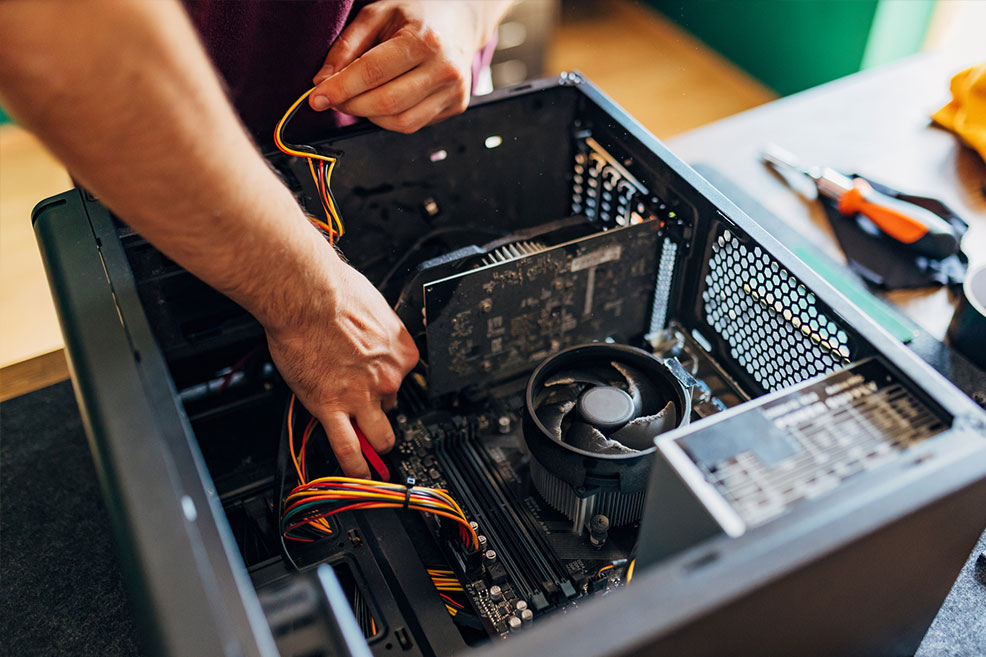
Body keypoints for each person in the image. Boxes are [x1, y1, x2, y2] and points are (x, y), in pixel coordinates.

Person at [0, 0, 511, 478]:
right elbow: (48, 34)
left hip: (429, 107)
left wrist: (463, 13)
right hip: (182, 186)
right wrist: (309, 299)